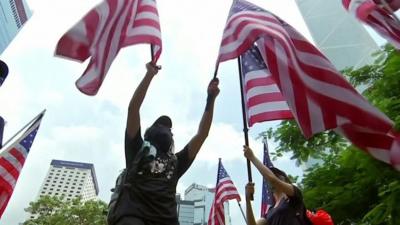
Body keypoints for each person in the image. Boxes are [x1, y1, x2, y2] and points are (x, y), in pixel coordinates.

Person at [113, 62, 220, 225]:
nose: (166, 128)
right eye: (160, 125)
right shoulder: (137, 149)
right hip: (133, 217)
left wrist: (210, 99)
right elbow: (133, 109)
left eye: (169, 128)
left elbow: (202, 134)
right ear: (149, 132)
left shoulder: (177, 161)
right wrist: (149, 75)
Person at [243, 145, 312, 225]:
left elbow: (273, 180)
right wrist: (247, 199)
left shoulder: (294, 194)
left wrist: (252, 157)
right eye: (272, 174)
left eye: (277, 174)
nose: (274, 176)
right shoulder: (270, 212)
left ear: (286, 180)